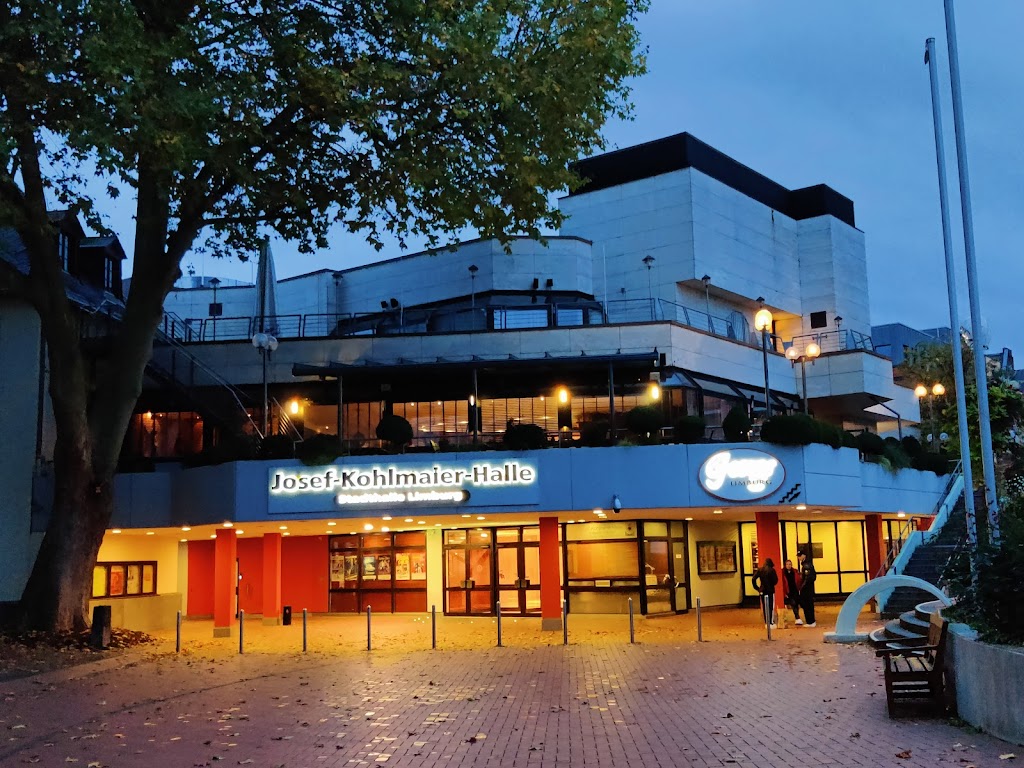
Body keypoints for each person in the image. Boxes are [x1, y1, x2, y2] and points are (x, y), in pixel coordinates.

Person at [751, 558, 779, 628]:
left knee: (764, 606)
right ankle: (770, 622)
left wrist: (757, 588)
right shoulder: (772, 570)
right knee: (770, 606)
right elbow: (775, 581)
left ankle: (766, 622)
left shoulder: (760, 570)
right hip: (770, 590)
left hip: (762, 590)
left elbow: (753, 579)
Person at [797, 550, 817, 627]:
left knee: (807, 605)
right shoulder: (807, 564)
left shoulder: (806, 565)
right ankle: (810, 621)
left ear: (804, 556)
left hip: (807, 589)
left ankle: (810, 621)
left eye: (800, 556)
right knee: (808, 604)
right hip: (808, 588)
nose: (799, 557)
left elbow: (807, 578)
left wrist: (802, 588)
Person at [781, 558, 803, 624]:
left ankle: (797, 617)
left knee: (796, 604)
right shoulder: (782, 572)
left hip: (795, 590)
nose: (788, 565)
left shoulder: (795, 571)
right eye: (787, 564)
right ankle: (797, 617)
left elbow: (798, 580)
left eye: (790, 564)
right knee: (793, 603)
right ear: (785, 565)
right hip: (788, 591)